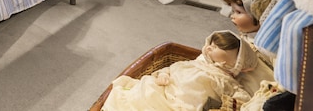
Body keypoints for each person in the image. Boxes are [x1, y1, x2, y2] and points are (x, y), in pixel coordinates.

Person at [102, 31, 256, 111]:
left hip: (183, 105)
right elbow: (171, 68)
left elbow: (242, 98)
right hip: (165, 91)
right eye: (211, 45)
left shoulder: (224, 79)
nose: (209, 48)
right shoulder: (196, 64)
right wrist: (162, 75)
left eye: (216, 48)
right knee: (146, 89)